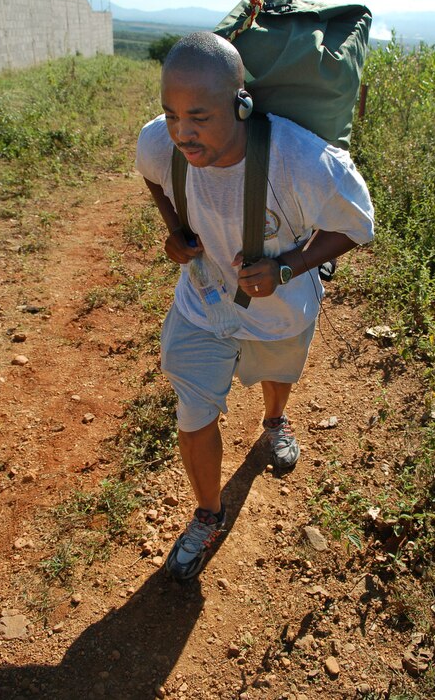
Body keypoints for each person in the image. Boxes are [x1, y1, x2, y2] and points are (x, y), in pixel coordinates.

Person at [136, 31, 374, 581]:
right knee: (193, 411)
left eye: (199, 115)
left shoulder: (302, 161)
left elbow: (358, 225)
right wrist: (175, 229)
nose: (182, 133)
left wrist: (288, 265)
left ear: (240, 104)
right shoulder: (161, 145)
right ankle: (207, 513)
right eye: (170, 114)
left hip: (280, 310)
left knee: (277, 369)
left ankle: (274, 421)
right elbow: (153, 177)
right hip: (202, 302)